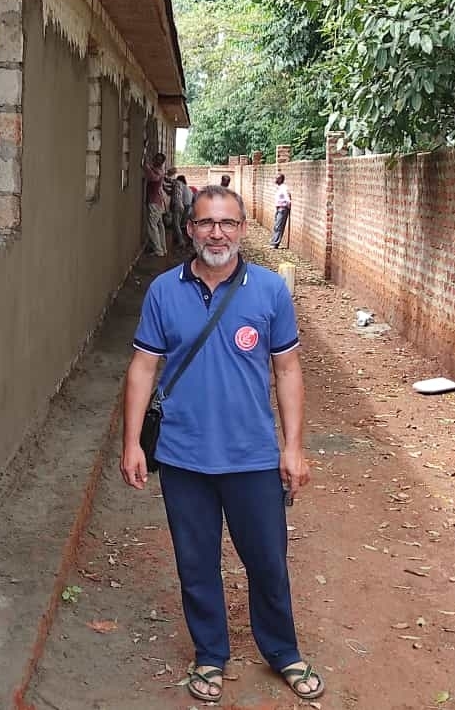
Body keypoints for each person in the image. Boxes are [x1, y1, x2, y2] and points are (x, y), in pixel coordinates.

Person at [119, 185, 324, 704]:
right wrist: (132, 443)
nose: (217, 233)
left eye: (227, 223)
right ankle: (210, 654)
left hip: (252, 457)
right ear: (190, 229)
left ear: (242, 229)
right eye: (206, 223)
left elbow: (288, 369)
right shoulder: (164, 291)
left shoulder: (269, 290)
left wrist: (292, 447)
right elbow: (143, 367)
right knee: (196, 564)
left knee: (267, 561)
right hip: (183, 457)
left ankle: (283, 651)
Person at [142, 153, 168, 256]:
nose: (156, 161)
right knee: (159, 225)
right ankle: (163, 248)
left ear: (161, 162)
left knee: (152, 225)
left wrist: (146, 165)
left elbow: (153, 177)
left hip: (154, 202)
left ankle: (158, 250)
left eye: (159, 160)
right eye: (156, 158)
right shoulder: (158, 170)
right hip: (157, 202)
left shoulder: (159, 172)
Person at [270, 173, 291, 249]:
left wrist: (287, 206)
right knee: (276, 226)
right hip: (279, 208)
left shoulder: (284, 188)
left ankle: (275, 244)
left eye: (277, 178)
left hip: (282, 209)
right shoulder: (279, 188)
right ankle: (273, 242)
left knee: (279, 226)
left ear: (281, 179)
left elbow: (287, 198)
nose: (275, 179)